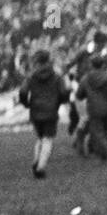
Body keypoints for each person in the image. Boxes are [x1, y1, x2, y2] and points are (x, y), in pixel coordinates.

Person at [18, 49, 70, 178]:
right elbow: (64, 93)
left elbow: (23, 92)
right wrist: (61, 101)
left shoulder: (31, 76)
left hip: (35, 110)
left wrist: (26, 103)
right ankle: (41, 166)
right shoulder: (57, 76)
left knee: (40, 138)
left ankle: (36, 159)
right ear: (49, 60)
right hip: (51, 110)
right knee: (48, 139)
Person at [75, 56, 107, 163]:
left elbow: (79, 95)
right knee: (103, 133)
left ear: (91, 65)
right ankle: (103, 157)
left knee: (98, 134)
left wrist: (86, 94)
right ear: (103, 65)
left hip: (93, 109)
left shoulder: (86, 78)